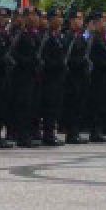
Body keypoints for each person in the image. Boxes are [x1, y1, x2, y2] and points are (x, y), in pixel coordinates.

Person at [10, 8, 41, 147]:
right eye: (30, 16)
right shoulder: (20, 35)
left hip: (32, 75)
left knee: (31, 105)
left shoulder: (34, 35)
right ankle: (21, 135)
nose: (34, 18)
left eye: (35, 15)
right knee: (22, 105)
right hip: (21, 76)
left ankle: (28, 133)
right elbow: (12, 54)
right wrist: (27, 61)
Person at [37, 8, 66, 147]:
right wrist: (56, 64)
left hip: (58, 77)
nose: (60, 19)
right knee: (48, 107)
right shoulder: (46, 36)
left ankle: (51, 133)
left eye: (61, 17)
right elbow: (43, 57)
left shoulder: (58, 36)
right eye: (57, 16)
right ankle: (47, 135)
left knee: (55, 106)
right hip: (48, 77)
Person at [62, 9, 92, 144]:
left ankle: (76, 131)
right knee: (72, 106)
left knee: (80, 104)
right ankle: (71, 133)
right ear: (71, 21)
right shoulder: (69, 37)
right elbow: (67, 58)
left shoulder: (80, 37)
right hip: (72, 77)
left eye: (81, 19)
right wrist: (80, 62)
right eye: (78, 19)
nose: (80, 21)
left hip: (81, 77)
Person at [85, 12, 106, 143]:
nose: (105, 24)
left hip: (105, 76)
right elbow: (92, 59)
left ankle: (99, 130)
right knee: (96, 105)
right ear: (96, 24)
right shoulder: (93, 39)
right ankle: (95, 132)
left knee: (103, 105)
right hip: (96, 77)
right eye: (103, 21)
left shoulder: (104, 39)